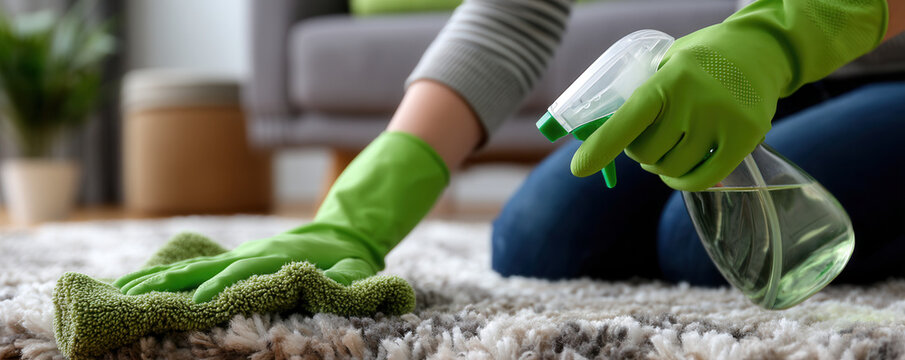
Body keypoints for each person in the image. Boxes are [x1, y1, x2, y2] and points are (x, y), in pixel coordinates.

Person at [115, 0, 905, 303]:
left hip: (874, 54)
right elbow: (510, 17)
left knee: (694, 248)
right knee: (541, 240)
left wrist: (770, 40)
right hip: (739, 70)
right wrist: (357, 218)